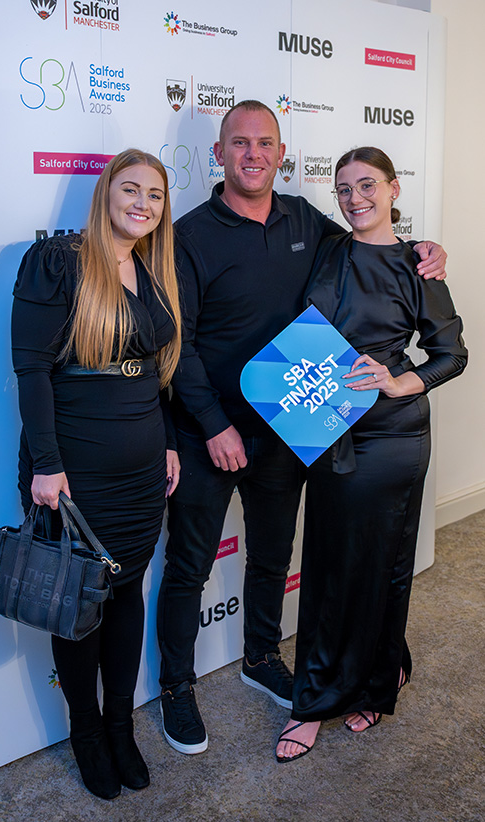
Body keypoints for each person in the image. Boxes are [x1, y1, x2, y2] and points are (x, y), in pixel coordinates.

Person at [156, 100, 448, 756]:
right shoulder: (188, 235)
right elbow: (179, 344)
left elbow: (372, 244)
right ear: (218, 154)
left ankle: (261, 656)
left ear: (281, 155)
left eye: (264, 143)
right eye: (239, 143)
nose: (252, 154)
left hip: (288, 424)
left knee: (271, 556)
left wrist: (424, 250)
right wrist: (213, 426)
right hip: (208, 432)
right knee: (188, 566)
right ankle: (176, 686)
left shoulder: (305, 219)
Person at [275, 147, 467, 763]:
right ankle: (319, 696)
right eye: (344, 188)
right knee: (329, 563)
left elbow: (451, 355)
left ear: (393, 188)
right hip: (326, 422)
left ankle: (373, 684)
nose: (355, 198)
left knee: (384, 563)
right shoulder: (328, 246)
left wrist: (398, 383)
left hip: (392, 437)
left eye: (367, 185)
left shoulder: (419, 265)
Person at [11, 149, 181, 798]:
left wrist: (169, 443)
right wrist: (46, 465)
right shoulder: (60, 261)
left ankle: (120, 727)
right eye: (130, 189)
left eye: (155, 195)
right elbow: (32, 370)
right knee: (79, 602)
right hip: (77, 474)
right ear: (106, 193)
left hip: (142, 473)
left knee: (127, 591)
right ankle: (86, 732)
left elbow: (155, 374)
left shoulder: (152, 273)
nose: (142, 203)